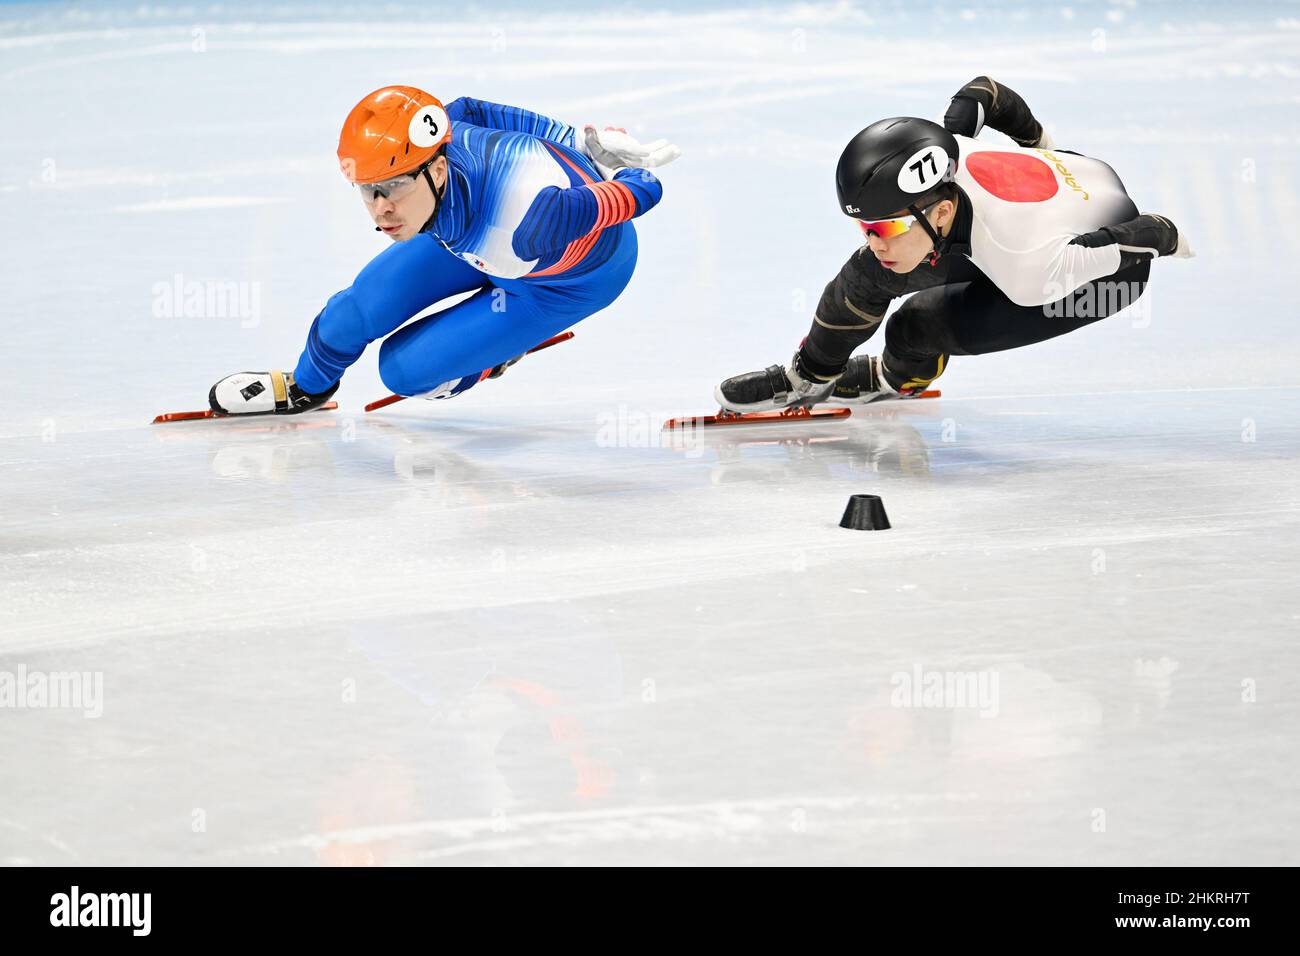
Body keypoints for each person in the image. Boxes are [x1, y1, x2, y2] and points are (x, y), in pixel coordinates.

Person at [715, 76, 1192, 413]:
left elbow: (1134, 240)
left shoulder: (1028, 263)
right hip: (1041, 208)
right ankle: (809, 376)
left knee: (916, 326)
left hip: (1096, 275)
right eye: (867, 228)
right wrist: (1039, 145)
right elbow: (986, 92)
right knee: (866, 275)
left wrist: (1165, 234)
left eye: (886, 229)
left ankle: (895, 377)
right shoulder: (949, 149)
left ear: (940, 212)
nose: (875, 240)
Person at [209, 86, 679, 415]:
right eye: (368, 190)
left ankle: (493, 354)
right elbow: (478, 108)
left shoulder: (529, 220)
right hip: (464, 228)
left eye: (393, 188)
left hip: (564, 280)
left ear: (435, 171)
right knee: (351, 314)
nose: (380, 210)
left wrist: (631, 174)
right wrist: (577, 139)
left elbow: (637, 198)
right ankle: (303, 388)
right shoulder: (445, 127)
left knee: (404, 372)